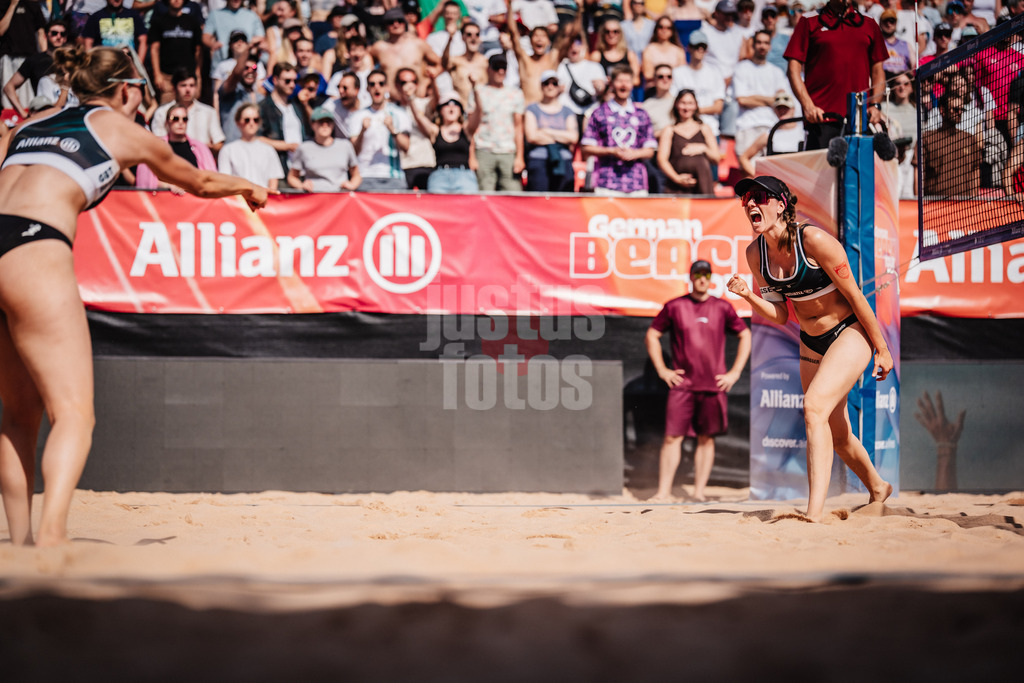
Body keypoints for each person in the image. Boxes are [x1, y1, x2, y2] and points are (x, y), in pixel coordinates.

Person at [0, 45, 268, 547]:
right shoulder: (117, 126)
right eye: (141, 93)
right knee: (74, 414)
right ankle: (53, 537)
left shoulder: (29, 125)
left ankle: (16, 547)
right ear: (126, 89)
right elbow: (201, 179)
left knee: (16, 416)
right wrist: (248, 188)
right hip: (35, 247)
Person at [726, 175, 893, 522]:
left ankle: (814, 514)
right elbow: (781, 314)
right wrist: (748, 296)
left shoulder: (813, 239)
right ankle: (878, 487)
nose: (750, 204)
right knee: (837, 431)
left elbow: (855, 296)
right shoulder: (755, 253)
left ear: (782, 204)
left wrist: (882, 347)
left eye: (759, 197)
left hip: (849, 332)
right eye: (746, 200)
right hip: (810, 341)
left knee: (813, 407)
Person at [646, 259, 751, 502]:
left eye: (706, 274)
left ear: (711, 278)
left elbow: (745, 334)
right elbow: (652, 335)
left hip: (713, 386)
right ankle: (663, 493)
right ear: (691, 277)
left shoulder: (722, 308)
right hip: (682, 385)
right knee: (672, 437)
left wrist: (735, 372)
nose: (702, 278)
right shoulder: (675, 306)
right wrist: (663, 370)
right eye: (698, 274)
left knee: (707, 438)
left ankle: (699, 493)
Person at [784, 0, 888, 150]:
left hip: (859, 119)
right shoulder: (808, 21)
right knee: (822, 173)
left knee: (859, 172)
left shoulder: (869, 23)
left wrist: (875, 105)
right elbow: (793, 69)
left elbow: (878, 71)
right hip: (821, 119)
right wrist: (808, 106)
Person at [581, 64, 658, 196]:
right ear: (611, 84)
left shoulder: (641, 114)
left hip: (636, 184)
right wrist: (612, 151)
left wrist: (634, 154)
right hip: (606, 183)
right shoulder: (599, 113)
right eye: (619, 81)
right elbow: (586, 147)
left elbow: (650, 149)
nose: (624, 85)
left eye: (627, 81)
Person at [467, 53, 526, 191]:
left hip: (508, 151)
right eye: (496, 67)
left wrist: (519, 157)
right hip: (483, 150)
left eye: (504, 67)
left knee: (513, 193)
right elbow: (471, 128)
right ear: (488, 69)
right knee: (485, 194)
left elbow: (518, 127)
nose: (500, 71)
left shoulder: (516, 94)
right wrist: (471, 156)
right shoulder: (478, 91)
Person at [351, 68, 412, 191]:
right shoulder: (358, 116)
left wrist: (392, 129)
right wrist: (362, 131)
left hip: (393, 176)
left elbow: (406, 147)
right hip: (365, 176)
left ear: (387, 88)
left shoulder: (399, 114)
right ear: (367, 89)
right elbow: (353, 152)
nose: (376, 87)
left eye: (381, 83)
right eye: (372, 84)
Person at [732, 29, 790, 157]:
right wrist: (770, 100)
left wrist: (754, 98)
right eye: (759, 42)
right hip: (747, 126)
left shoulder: (776, 72)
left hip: (772, 127)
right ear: (753, 44)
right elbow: (743, 100)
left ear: (770, 46)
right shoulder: (742, 68)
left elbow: (781, 101)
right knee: (749, 172)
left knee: (769, 174)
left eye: (765, 43)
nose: (762, 46)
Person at [914, 92, 983, 197]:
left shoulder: (969, 139)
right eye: (955, 109)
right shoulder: (927, 139)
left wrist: (974, 199)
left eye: (961, 109)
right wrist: (917, 202)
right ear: (942, 110)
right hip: (934, 206)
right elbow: (918, 173)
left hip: (965, 207)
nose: (959, 112)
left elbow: (975, 171)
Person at [135, 104, 218, 190]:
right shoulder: (156, 147)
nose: (180, 122)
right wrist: (169, 186)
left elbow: (211, 180)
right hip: (165, 199)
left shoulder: (200, 148)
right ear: (167, 122)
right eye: (175, 119)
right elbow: (145, 181)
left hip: (194, 199)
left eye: (184, 119)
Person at [412, 90, 480, 193]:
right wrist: (409, 98)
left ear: (460, 110)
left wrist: (475, 89)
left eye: (456, 104)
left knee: (468, 207)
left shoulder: (466, 130)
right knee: (438, 208)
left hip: (464, 176)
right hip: (439, 177)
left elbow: (479, 112)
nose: (451, 108)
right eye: (446, 104)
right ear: (440, 110)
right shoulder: (435, 131)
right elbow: (418, 117)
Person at [523, 69, 578, 192]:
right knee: (538, 203)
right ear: (541, 86)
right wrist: (561, 138)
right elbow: (531, 136)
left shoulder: (567, 111)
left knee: (563, 203)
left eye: (554, 83)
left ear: (559, 87)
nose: (550, 86)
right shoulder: (532, 109)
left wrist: (545, 131)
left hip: (563, 162)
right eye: (546, 83)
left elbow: (573, 137)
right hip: (538, 162)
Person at [657, 89, 720, 194]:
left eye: (690, 103)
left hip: (703, 186)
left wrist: (703, 148)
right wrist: (677, 178)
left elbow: (716, 158)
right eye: (683, 103)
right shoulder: (669, 130)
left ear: (696, 106)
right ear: (676, 104)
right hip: (676, 188)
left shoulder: (704, 128)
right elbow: (662, 160)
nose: (686, 107)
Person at [2, 18, 66, 120]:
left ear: (65, 38)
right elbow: (9, 87)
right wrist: (23, 114)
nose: (58, 37)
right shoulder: (35, 60)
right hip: (45, 115)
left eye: (62, 34)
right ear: (45, 36)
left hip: (69, 114)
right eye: (54, 33)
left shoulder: (72, 61)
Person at [286, 106, 361, 192]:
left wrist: (352, 185)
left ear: (333, 125)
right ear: (312, 124)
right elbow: (292, 177)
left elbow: (356, 174)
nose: (325, 125)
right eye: (321, 122)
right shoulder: (304, 148)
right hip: (314, 196)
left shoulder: (345, 145)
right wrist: (302, 185)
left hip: (340, 197)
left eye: (328, 122)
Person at [151, 69, 226, 153]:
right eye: (183, 85)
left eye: (191, 85)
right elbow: (157, 141)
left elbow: (219, 143)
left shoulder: (209, 112)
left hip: (200, 161)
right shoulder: (162, 112)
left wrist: (204, 148)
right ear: (174, 88)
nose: (188, 90)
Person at [672, 30, 726, 141]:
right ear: (689, 48)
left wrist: (690, 110)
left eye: (703, 47)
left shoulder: (715, 73)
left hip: (711, 129)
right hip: (684, 130)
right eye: (696, 46)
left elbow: (718, 107)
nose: (700, 50)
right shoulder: (678, 73)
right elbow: (673, 103)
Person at [258, 62, 313, 173]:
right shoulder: (263, 107)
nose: (292, 85)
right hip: (277, 168)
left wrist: (306, 104)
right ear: (275, 80)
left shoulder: (296, 106)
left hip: (300, 170)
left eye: (295, 81)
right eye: (287, 81)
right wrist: (287, 146)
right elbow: (256, 138)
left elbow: (315, 125)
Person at [218, 102, 285, 190]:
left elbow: (273, 181)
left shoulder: (269, 149)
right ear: (238, 123)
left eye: (256, 120)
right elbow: (225, 181)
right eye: (247, 120)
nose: (251, 123)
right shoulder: (227, 150)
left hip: (263, 199)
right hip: (239, 199)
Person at [147, 0, 202, 103]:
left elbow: (198, 50)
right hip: (167, 77)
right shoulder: (158, 22)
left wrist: (198, 73)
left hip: (189, 76)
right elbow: (154, 49)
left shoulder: (193, 21)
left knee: (192, 112)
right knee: (166, 111)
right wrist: (157, 74)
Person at [738, 91, 803, 176]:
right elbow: (744, 158)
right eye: (779, 108)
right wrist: (759, 179)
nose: (782, 111)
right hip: (778, 183)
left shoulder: (803, 131)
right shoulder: (770, 134)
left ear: (793, 109)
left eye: (785, 107)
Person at [81, 0, 148, 61]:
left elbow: (143, 41)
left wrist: (139, 65)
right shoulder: (96, 17)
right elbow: (88, 44)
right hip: (104, 63)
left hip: (129, 64)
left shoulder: (134, 15)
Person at [590, 16, 641, 87]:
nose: (611, 35)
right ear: (602, 34)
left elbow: (636, 80)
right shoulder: (596, 56)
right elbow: (591, 78)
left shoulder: (630, 55)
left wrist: (619, 82)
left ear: (620, 34)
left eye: (615, 31)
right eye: (607, 32)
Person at [641, 15, 688, 82]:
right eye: (661, 27)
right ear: (656, 29)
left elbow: (682, 74)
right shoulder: (648, 50)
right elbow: (648, 74)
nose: (664, 30)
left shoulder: (679, 51)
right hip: (654, 87)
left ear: (672, 31)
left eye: (668, 28)